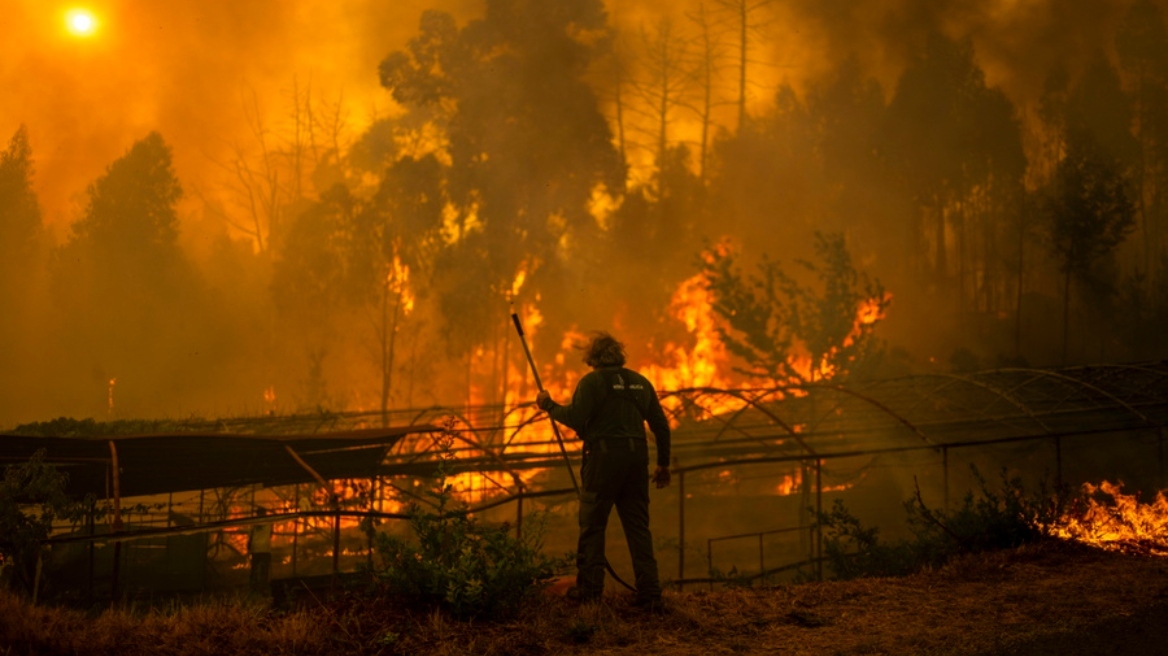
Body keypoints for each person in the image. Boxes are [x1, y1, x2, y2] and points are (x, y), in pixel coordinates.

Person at [537, 331, 672, 610]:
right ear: (619, 356)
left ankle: (589, 591)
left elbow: (574, 416)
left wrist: (548, 405)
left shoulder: (592, 382)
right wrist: (663, 464)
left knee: (592, 525)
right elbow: (660, 425)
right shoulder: (640, 383)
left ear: (593, 358)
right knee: (638, 528)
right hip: (637, 460)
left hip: (603, 461)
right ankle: (649, 593)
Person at [248, 506, 272, 595]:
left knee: (254, 568)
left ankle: (253, 587)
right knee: (264, 570)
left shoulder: (253, 523)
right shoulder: (269, 522)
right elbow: (270, 534)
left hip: (256, 549)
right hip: (265, 548)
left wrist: (250, 547)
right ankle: (263, 587)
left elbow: (250, 537)